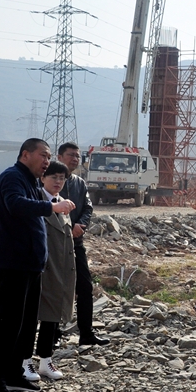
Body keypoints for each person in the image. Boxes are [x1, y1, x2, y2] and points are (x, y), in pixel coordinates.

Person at [0, 138, 75, 392]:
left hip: (31, 265)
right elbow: (16, 204)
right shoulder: (12, 177)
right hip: (13, 264)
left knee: (24, 324)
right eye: (43, 155)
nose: (47, 161)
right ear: (25, 155)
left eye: (49, 156)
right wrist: (51, 206)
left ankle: (13, 373)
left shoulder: (31, 181)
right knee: (6, 324)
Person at [22, 161, 76, 381]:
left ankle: (45, 359)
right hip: (40, 267)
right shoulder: (36, 201)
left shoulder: (63, 203)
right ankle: (25, 360)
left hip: (60, 269)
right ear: (42, 178)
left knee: (53, 315)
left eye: (62, 178)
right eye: (54, 177)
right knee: (30, 316)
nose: (58, 182)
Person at [57, 142, 109, 346]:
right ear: (59, 157)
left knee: (85, 287)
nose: (75, 159)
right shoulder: (50, 180)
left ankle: (86, 333)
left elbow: (88, 207)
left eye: (77, 156)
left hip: (76, 242)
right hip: (55, 244)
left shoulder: (79, 183)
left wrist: (81, 225)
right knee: (57, 288)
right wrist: (68, 226)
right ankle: (52, 335)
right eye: (71, 155)